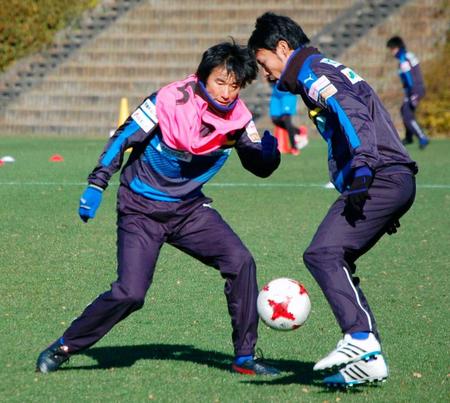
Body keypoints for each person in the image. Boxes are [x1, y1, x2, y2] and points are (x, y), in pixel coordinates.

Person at [36, 41, 281, 376]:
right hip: (141, 209)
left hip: (189, 210)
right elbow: (123, 138)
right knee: (130, 293)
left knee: (240, 262)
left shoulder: (238, 119)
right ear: (202, 77)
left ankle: (245, 357)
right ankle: (64, 346)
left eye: (234, 85)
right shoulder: (167, 100)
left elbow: (259, 164)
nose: (226, 92)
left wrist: (268, 154)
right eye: (219, 82)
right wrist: (97, 184)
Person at [248, 13, 418, 387]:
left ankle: (360, 339)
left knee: (323, 253)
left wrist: (362, 174)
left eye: (264, 63)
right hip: (389, 176)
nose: (265, 73)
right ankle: (368, 359)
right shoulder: (318, 68)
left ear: (282, 49)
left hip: (379, 175)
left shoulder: (311, 72)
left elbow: (351, 112)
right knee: (334, 254)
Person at [386, 36, 430, 149]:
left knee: (407, 115)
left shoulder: (403, 58)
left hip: (414, 90)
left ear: (397, 47)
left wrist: (413, 93)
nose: (391, 52)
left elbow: (410, 77)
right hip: (415, 89)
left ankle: (422, 137)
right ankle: (409, 137)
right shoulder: (407, 56)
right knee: (404, 110)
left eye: (392, 49)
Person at [269, 82, 308, 155]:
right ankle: (299, 131)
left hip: (287, 92)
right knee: (274, 119)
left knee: (286, 120)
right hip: (276, 94)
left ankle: (294, 148)